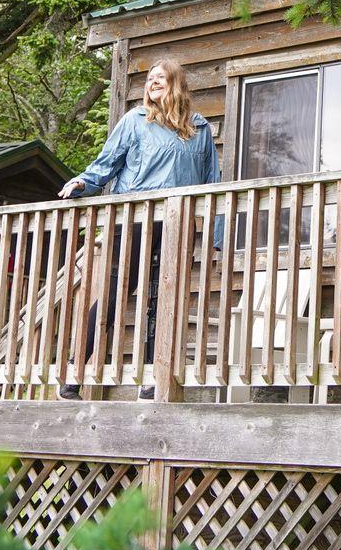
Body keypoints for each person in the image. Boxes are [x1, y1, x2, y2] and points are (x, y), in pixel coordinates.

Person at [58, 57, 220, 398]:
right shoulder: (135, 120)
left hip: (178, 223)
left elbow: (212, 185)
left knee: (163, 298)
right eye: (149, 79)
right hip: (134, 220)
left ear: (177, 83)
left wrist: (216, 238)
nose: (153, 83)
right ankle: (74, 373)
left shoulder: (200, 129)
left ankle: (152, 376)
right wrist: (83, 183)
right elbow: (107, 162)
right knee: (117, 294)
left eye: (161, 78)